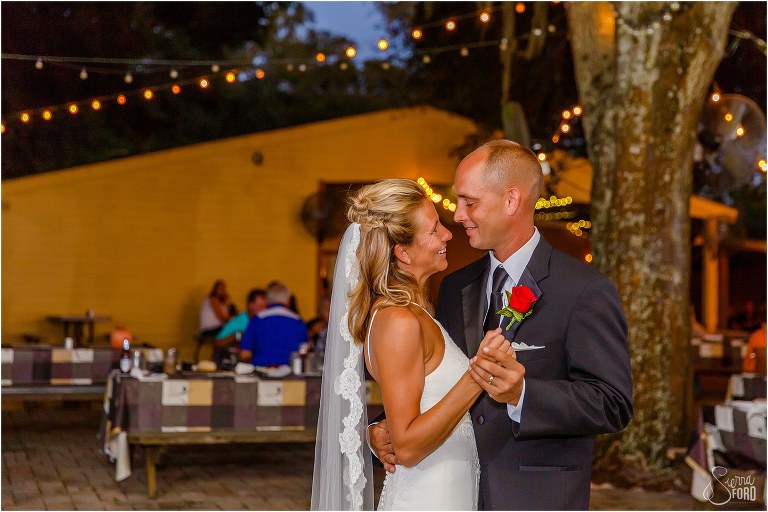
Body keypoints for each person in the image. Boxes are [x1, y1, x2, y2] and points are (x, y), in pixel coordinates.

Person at [370, 140, 634, 510]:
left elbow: (613, 403)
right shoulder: (455, 286)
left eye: (470, 202)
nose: (458, 215)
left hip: (535, 497)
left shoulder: (584, 290)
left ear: (511, 201)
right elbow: (429, 376)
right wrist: (380, 428)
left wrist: (523, 394)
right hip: (450, 491)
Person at [311, 179, 512, 510]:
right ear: (402, 252)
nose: (448, 235)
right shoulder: (398, 321)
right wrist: (479, 373)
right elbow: (406, 446)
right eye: (434, 230)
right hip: (427, 496)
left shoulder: (416, 312)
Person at [238, 282, 307, 365]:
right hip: (290, 373)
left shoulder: (257, 319)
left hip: (262, 372)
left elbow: (244, 354)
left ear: (268, 299)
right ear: (288, 300)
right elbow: (304, 351)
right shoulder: (298, 321)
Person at [213, 288, 267, 362]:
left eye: (266, 307)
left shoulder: (264, 322)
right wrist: (237, 336)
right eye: (261, 306)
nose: (264, 310)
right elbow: (217, 343)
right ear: (250, 305)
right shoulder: (238, 321)